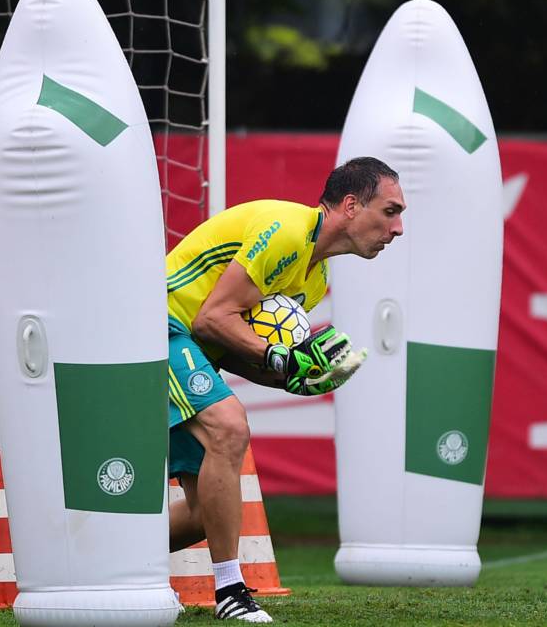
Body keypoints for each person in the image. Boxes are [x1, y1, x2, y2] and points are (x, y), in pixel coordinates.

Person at [166, 156, 405, 622]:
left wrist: (295, 379)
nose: (397, 229)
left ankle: (120, 565)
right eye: (391, 211)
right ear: (351, 206)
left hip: (195, 350)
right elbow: (211, 318)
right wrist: (280, 357)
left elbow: (233, 348)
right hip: (158, 328)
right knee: (230, 428)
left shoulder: (315, 280)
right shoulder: (287, 229)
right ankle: (230, 591)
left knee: (204, 514)